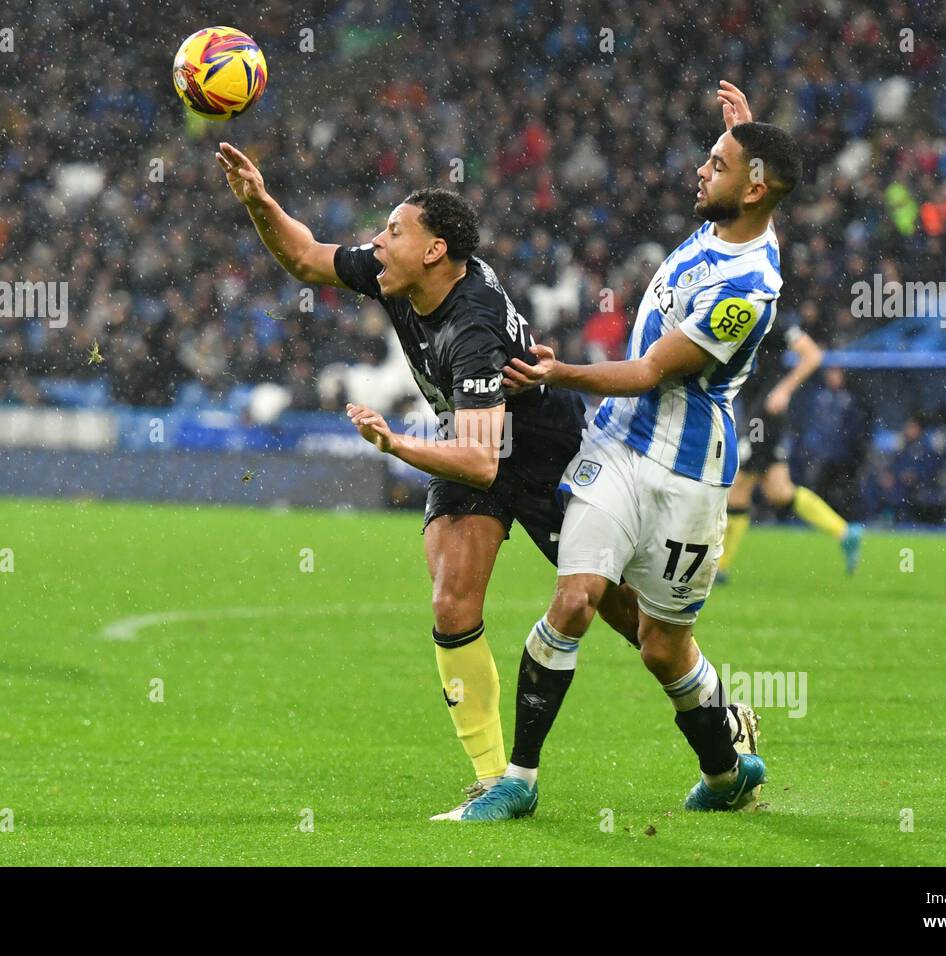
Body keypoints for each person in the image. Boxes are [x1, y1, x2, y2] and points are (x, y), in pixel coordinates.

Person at [215, 146, 640, 817]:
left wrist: (393, 444)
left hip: (544, 453)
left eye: (393, 232)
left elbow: (480, 462)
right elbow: (306, 258)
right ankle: (499, 781)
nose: (378, 243)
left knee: (617, 608)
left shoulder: (471, 326)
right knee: (451, 604)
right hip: (473, 439)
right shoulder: (400, 278)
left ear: (436, 250)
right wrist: (258, 201)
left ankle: (706, 707)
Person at [456, 83, 800, 820]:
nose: (700, 171)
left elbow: (647, 373)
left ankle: (723, 774)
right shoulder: (735, 225)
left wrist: (559, 372)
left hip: (689, 478)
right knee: (574, 599)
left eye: (717, 162)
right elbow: (756, 193)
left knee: (660, 647)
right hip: (612, 448)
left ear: (755, 185)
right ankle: (518, 779)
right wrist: (743, 132)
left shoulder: (750, 289)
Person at [717, 319, 863, 584]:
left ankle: (721, 569)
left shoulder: (772, 320)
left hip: (765, 418)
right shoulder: (740, 317)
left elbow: (813, 355)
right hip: (756, 414)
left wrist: (783, 389)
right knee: (779, 491)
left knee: (737, 488)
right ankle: (845, 532)